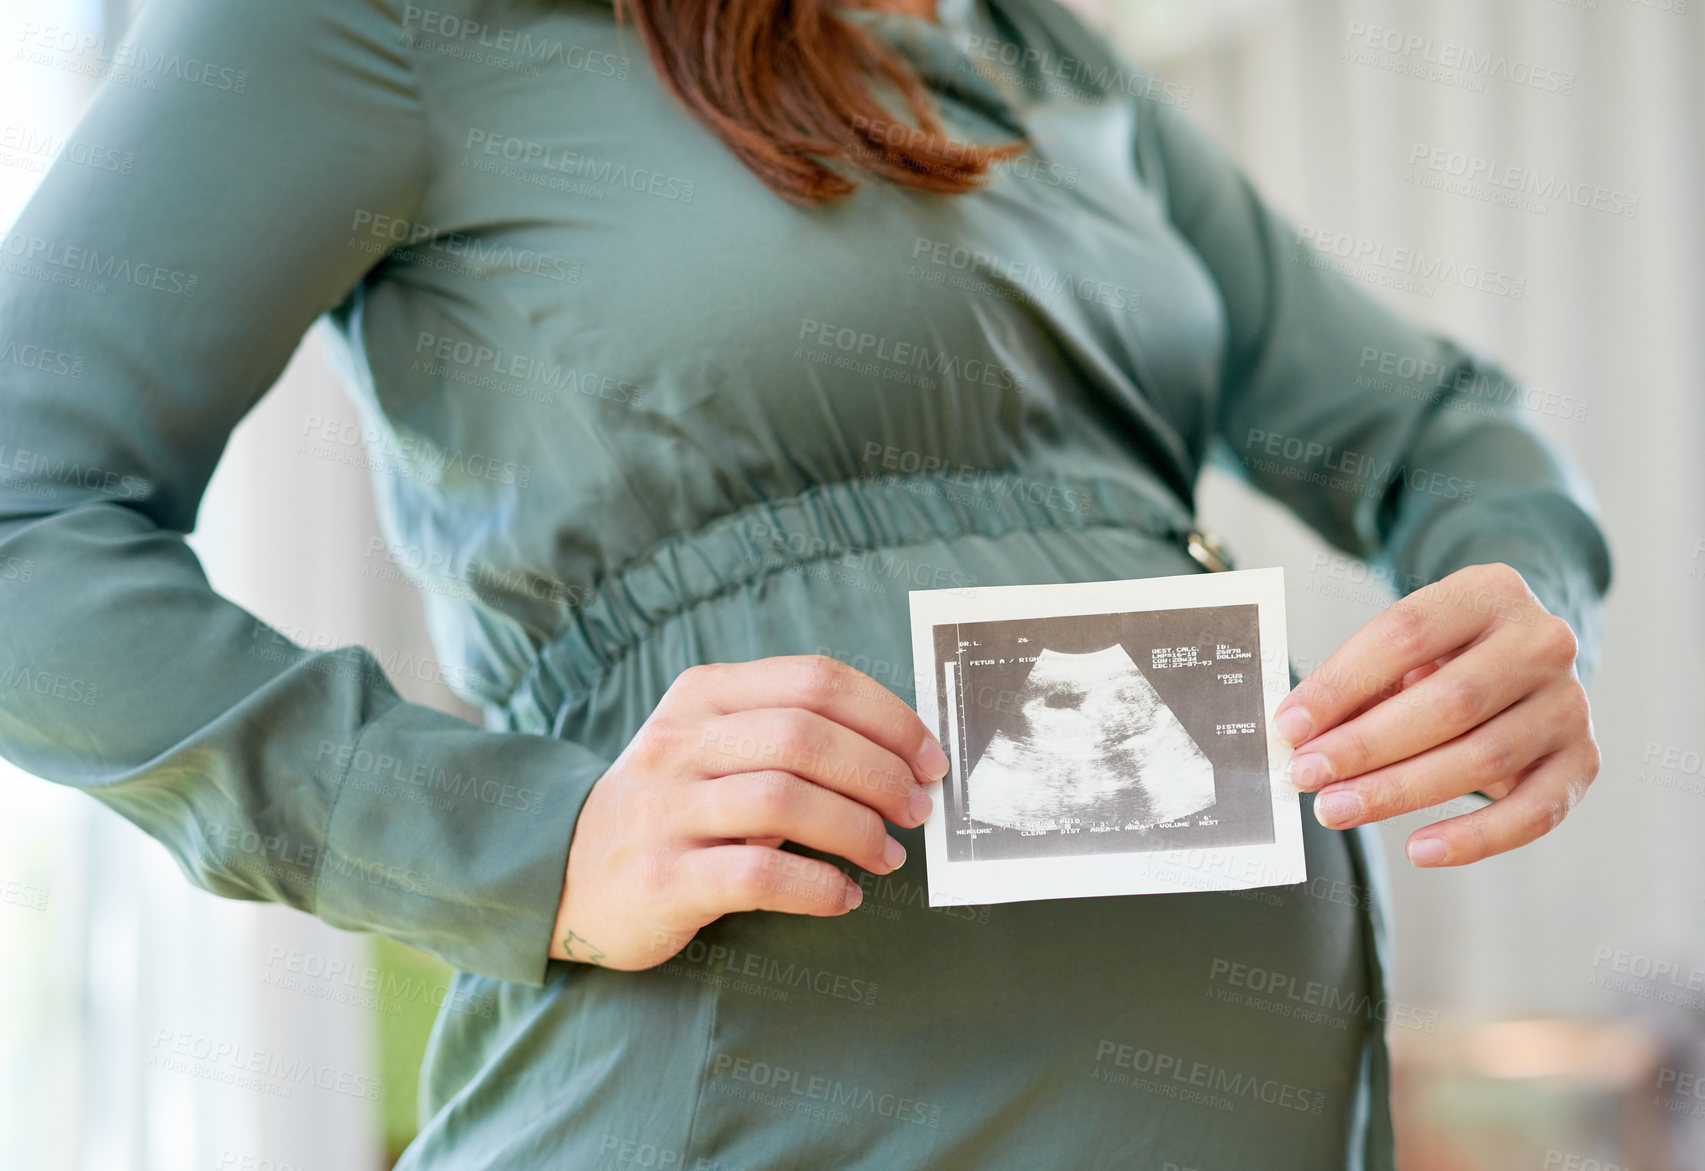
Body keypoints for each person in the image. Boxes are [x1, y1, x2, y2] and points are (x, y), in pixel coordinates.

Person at [0, 0, 1611, 1165]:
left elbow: (1436, 422)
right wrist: (531, 839)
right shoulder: (369, 24)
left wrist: (1525, 597)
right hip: (745, 1101)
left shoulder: (1039, 57)